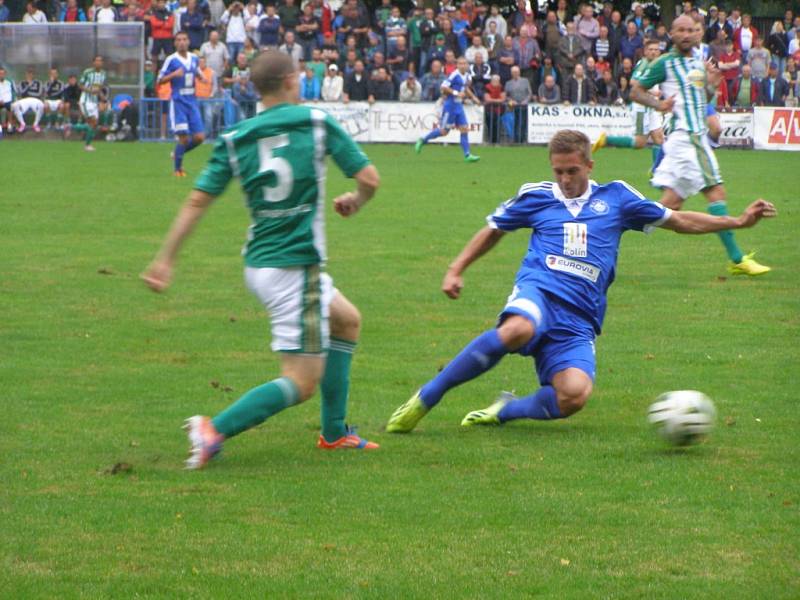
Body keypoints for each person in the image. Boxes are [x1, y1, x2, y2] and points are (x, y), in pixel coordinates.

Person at [385, 130, 777, 434]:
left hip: (580, 316)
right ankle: (427, 397)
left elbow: (680, 221)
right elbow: (493, 229)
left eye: (573, 170)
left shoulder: (619, 198)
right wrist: (456, 268)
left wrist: (737, 222)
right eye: (558, 171)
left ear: (590, 164)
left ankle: (506, 409)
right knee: (518, 328)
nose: (566, 178)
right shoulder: (537, 197)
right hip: (539, 290)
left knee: (574, 396)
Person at [142, 50, 381, 468]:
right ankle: (212, 430)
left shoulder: (236, 138)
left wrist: (165, 260)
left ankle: (334, 433)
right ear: (292, 80)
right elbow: (369, 179)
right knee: (301, 381)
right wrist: (356, 200)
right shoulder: (316, 122)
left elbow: (198, 201)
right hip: (294, 265)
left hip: (260, 263)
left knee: (347, 320)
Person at [629, 15, 770, 276]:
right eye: (681, 30)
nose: (686, 34)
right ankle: (738, 259)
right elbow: (635, 91)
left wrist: (712, 86)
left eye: (692, 30)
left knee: (670, 206)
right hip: (689, 138)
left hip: (692, 138)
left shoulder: (698, 60)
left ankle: (619, 221)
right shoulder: (665, 63)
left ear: (699, 33)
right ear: (671, 33)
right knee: (716, 194)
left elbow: (700, 96)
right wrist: (659, 104)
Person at [594, 40, 663, 165]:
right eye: (651, 49)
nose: (653, 52)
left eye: (656, 49)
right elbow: (633, 82)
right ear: (645, 51)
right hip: (641, 108)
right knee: (639, 143)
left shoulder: (656, 63)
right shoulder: (643, 64)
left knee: (659, 138)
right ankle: (607, 139)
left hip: (650, 107)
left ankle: (657, 171)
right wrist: (653, 93)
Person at [158, 32, 207, 176]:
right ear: (175, 43)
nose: (182, 42)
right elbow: (159, 80)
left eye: (184, 39)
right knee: (184, 138)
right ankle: (177, 170)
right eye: (178, 40)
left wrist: (200, 76)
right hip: (178, 101)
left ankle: (177, 152)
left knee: (199, 138)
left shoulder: (194, 58)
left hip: (192, 101)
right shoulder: (171, 60)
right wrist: (173, 75)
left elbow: (195, 70)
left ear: (189, 41)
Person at [414, 56, 480, 163]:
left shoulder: (467, 76)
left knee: (464, 128)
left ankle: (467, 155)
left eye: (464, 63)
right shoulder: (454, 75)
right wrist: (456, 93)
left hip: (459, 106)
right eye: (460, 63)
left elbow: (465, 88)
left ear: (467, 65)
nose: (463, 65)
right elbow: (443, 87)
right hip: (450, 106)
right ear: (457, 65)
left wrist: (473, 98)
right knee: (444, 131)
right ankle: (423, 140)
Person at [12, 67, 44, 133]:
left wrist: (29, 91)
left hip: (35, 99)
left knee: (41, 105)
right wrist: (28, 86)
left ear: (33, 75)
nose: (30, 75)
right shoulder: (22, 83)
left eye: (31, 74)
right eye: (28, 74)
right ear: (26, 75)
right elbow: (21, 92)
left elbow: (39, 93)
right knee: (15, 105)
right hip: (24, 99)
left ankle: (35, 124)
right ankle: (22, 124)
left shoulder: (38, 83)